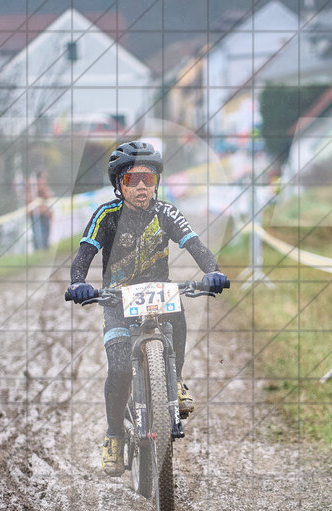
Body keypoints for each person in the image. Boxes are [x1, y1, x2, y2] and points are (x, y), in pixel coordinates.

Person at [66, 141, 229, 477]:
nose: (141, 187)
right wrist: (78, 282)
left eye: (148, 179)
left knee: (177, 304)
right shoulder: (106, 215)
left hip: (158, 293)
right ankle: (114, 436)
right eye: (132, 180)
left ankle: (176, 380)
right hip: (117, 300)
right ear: (119, 185)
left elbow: (195, 244)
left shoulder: (166, 213)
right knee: (120, 370)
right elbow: (84, 253)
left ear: (156, 183)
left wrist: (212, 271)